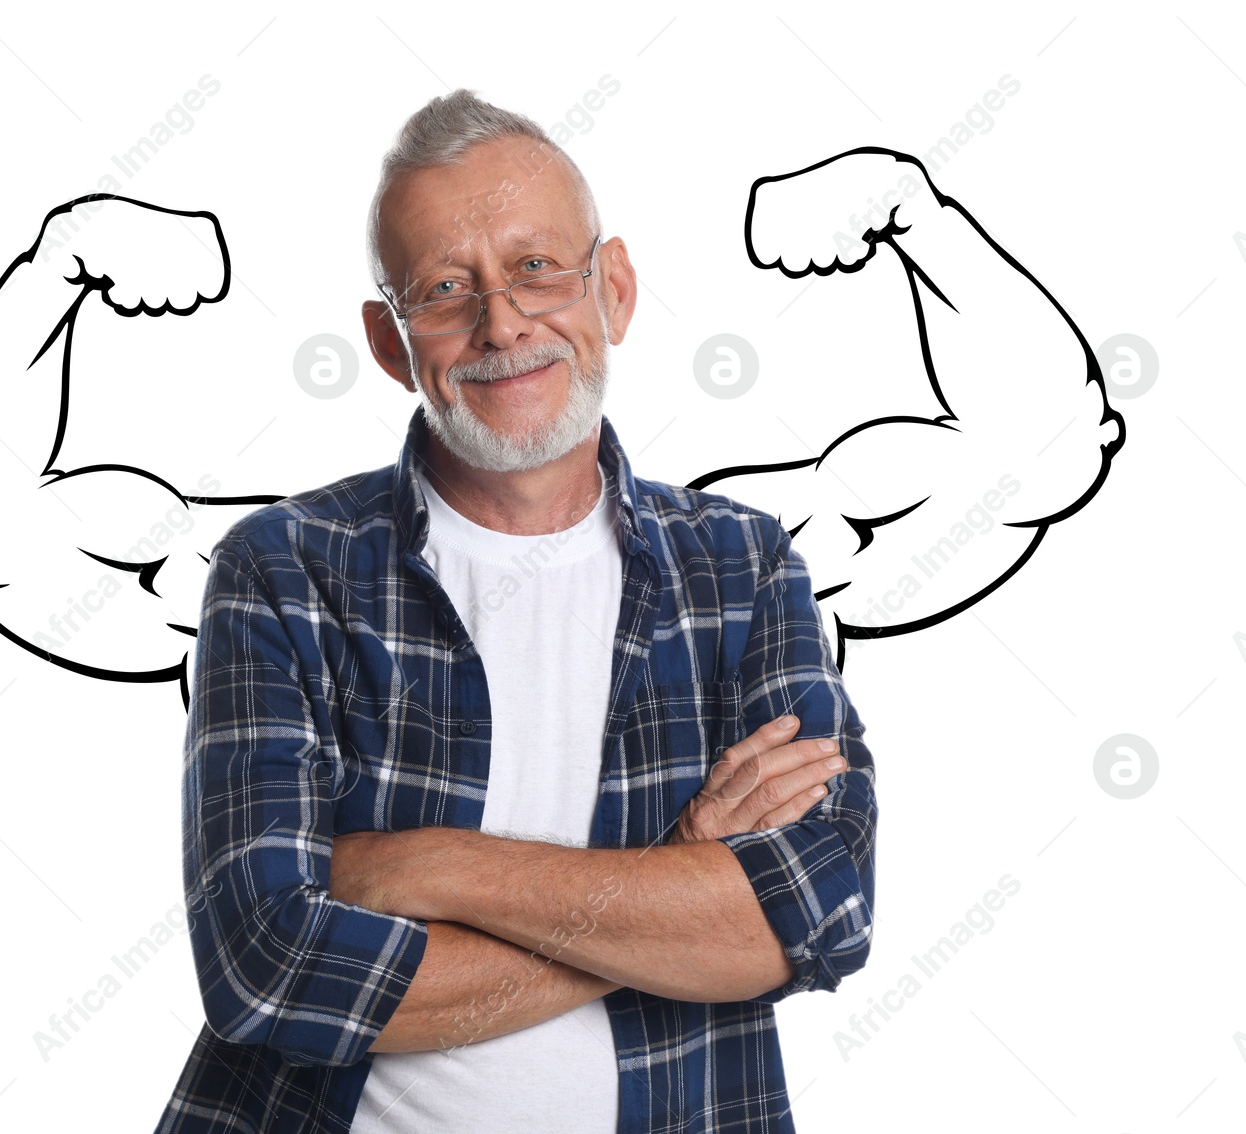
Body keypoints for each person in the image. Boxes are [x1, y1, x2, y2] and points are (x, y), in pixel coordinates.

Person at [156, 90, 878, 1134]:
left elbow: (817, 915)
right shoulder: (286, 571)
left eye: (538, 267)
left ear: (615, 290)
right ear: (391, 341)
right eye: (446, 290)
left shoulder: (743, 569)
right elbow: (268, 973)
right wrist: (675, 886)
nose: (502, 323)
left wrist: (423, 866)